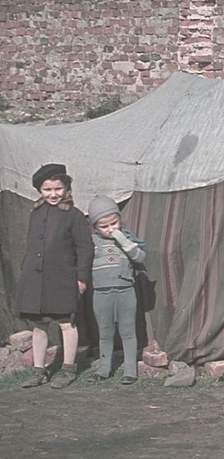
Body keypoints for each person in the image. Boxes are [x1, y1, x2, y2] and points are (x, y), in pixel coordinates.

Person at [16, 163, 93, 389]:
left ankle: (68, 370)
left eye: (58, 189)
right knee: (39, 325)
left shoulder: (75, 216)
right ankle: (39, 371)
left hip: (62, 279)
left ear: (67, 188)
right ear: (40, 190)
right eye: (47, 190)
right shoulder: (36, 213)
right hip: (35, 280)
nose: (53, 194)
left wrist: (81, 278)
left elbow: (85, 249)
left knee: (66, 323)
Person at [86, 195, 146, 385]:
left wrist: (125, 243)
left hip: (125, 291)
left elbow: (140, 257)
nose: (111, 229)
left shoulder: (127, 238)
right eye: (104, 226)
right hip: (101, 293)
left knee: (128, 331)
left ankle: (130, 370)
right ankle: (104, 369)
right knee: (105, 332)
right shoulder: (92, 242)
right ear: (95, 227)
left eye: (114, 223)